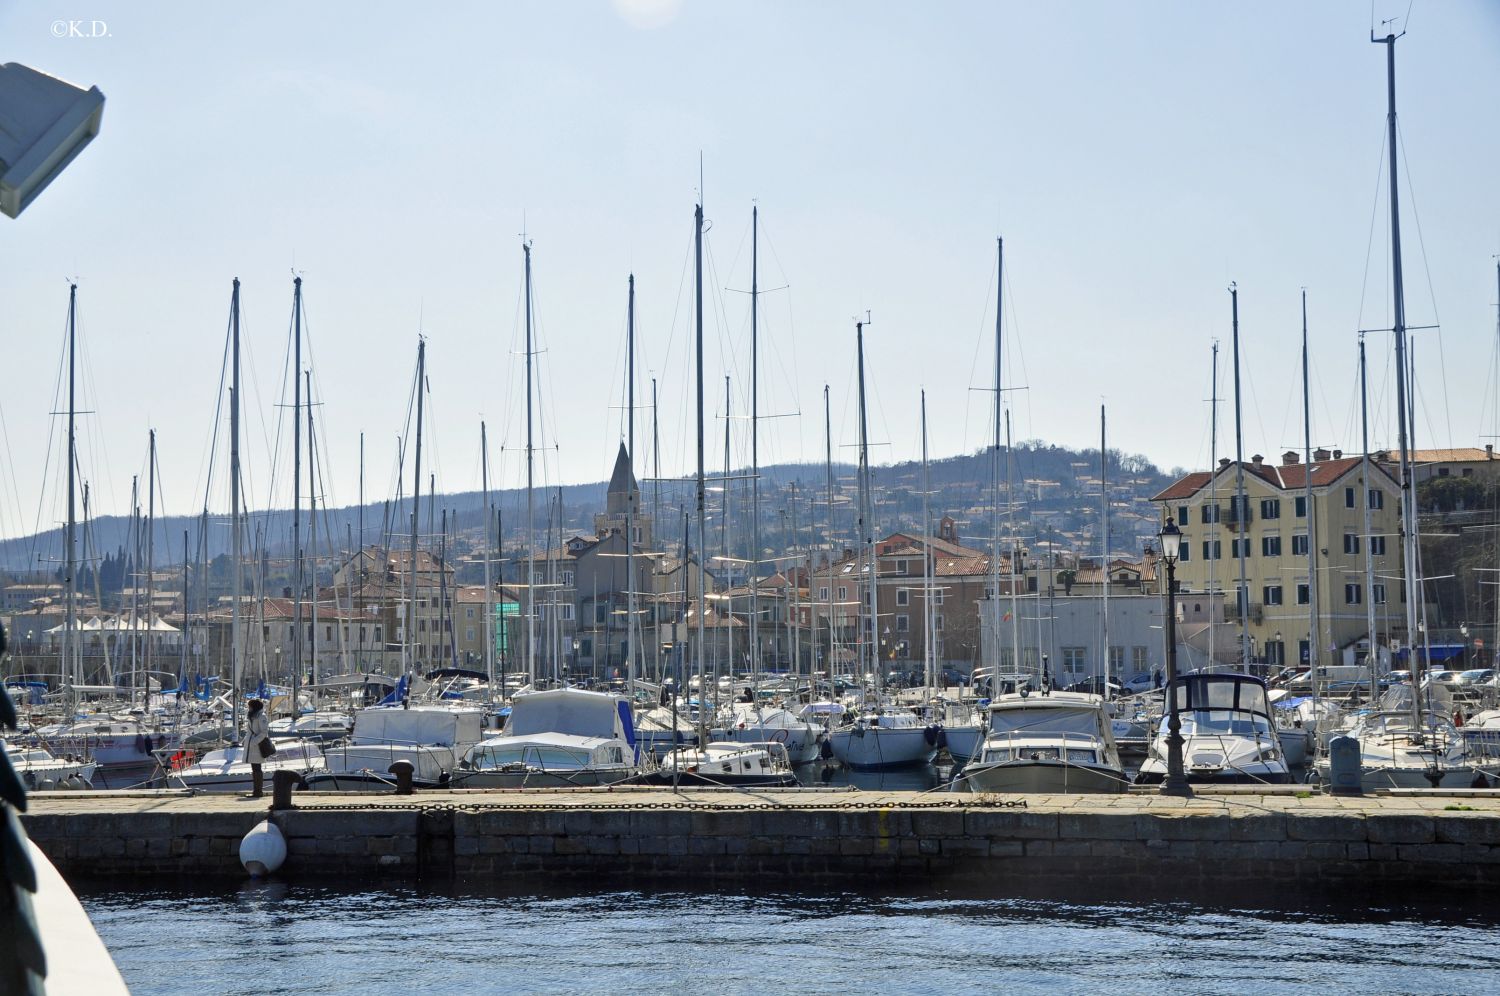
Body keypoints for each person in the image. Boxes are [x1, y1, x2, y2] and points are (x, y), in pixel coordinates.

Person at [244, 698, 270, 798]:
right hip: (252, 746)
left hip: (257, 746)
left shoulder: (261, 716)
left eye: (250, 706)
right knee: (255, 769)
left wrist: (254, 741)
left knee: (257, 769)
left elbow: (264, 732)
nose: (248, 708)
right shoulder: (253, 716)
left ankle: (258, 792)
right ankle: (256, 791)